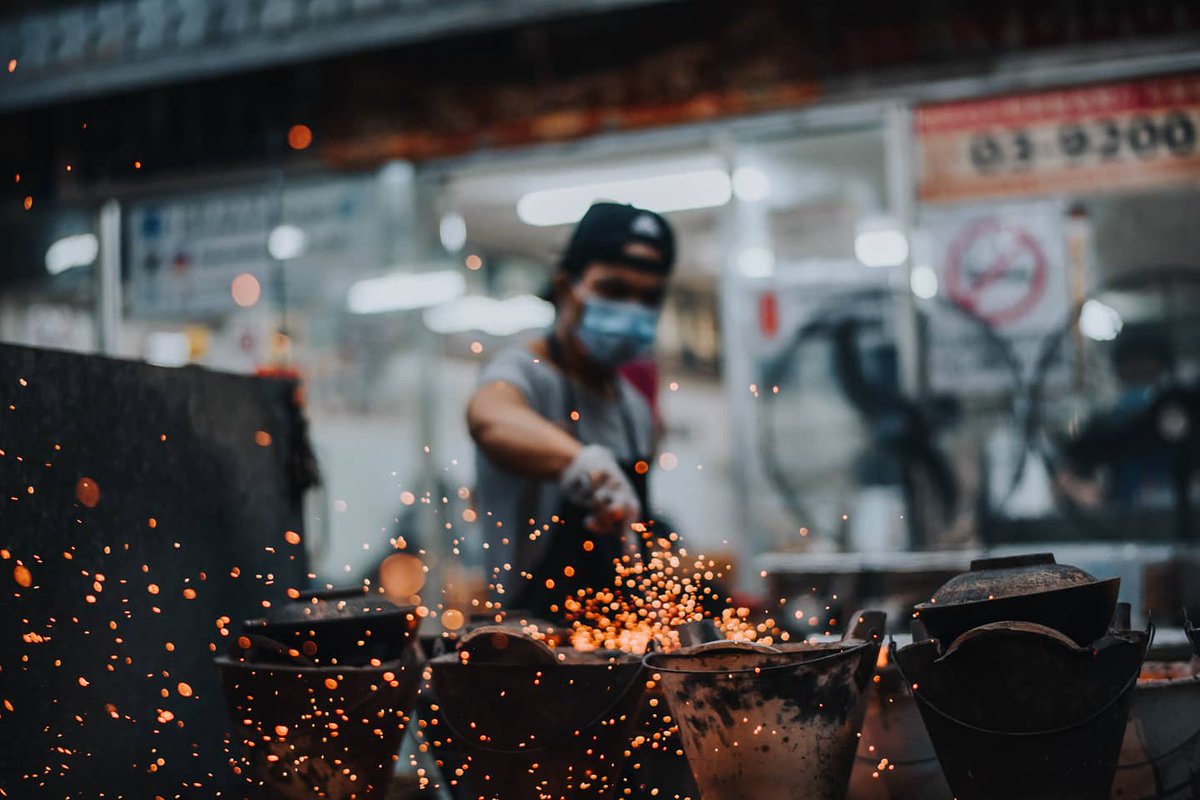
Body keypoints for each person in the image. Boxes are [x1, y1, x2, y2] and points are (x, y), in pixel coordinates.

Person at [467, 202, 675, 623]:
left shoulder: (632, 405)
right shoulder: (527, 372)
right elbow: (488, 415)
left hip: (621, 641)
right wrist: (578, 460)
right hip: (534, 645)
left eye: (648, 297)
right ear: (565, 287)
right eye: (614, 290)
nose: (632, 308)